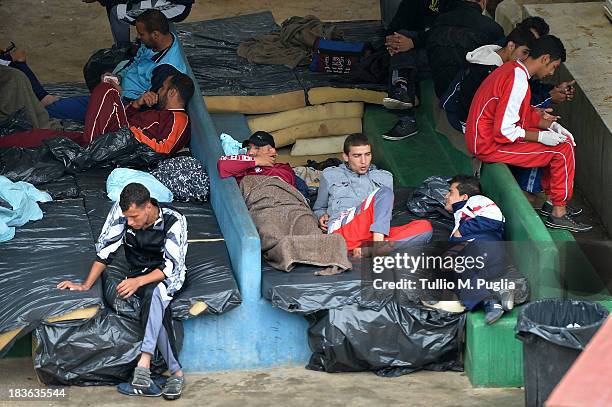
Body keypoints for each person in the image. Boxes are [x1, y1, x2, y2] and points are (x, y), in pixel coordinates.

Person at [57, 183, 187, 399]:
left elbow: (171, 266)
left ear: (148, 207)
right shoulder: (122, 211)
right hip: (138, 272)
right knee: (153, 303)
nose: (129, 222)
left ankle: (146, 364)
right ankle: (174, 374)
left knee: (156, 294)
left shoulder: (174, 220)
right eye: (127, 217)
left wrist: (138, 282)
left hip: (167, 276)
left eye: (134, 217)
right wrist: (85, 285)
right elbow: (106, 250)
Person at [464, 35, 591, 232]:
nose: (551, 72)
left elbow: (520, 114)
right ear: (545, 59)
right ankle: (558, 212)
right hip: (487, 144)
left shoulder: (514, 70)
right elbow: (504, 132)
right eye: (554, 67)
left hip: (482, 137)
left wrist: (550, 127)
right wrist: (541, 136)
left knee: (560, 141)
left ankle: (552, 202)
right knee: (561, 150)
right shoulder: (517, 79)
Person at [0, 72, 194, 154]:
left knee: (106, 89)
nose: (158, 90)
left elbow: (164, 148)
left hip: (120, 144)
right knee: (44, 137)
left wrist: (131, 134)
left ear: (173, 93)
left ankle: (91, 143)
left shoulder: (179, 119)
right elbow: (125, 118)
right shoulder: (156, 111)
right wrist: (136, 103)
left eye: (163, 88)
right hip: (114, 136)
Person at [47, 9, 188, 122]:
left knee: (53, 111)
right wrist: (118, 77)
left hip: (123, 105)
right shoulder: (153, 44)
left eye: (141, 34)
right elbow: (134, 62)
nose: (138, 37)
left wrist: (121, 96)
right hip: (118, 92)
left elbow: (151, 106)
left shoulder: (166, 69)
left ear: (155, 35)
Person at [313, 133, 433, 257]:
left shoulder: (384, 177)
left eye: (367, 154)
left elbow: (385, 213)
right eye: (357, 156)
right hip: (343, 231)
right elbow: (318, 207)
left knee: (425, 228)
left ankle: (369, 250)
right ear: (345, 156)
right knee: (384, 192)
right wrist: (321, 215)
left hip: (372, 233)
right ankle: (379, 247)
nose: (363, 161)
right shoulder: (330, 175)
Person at [442, 175, 512, 324]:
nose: (446, 196)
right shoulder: (460, 215)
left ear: (464, 196)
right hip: (489, 266)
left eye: (451, 192)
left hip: (485, 247)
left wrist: (462, 231)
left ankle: (490, 303)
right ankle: (499, 296)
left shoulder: (476, 200)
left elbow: (495, 219)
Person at [380, 0, 449, 140]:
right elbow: (396, 25)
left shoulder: (456, 4)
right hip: (417, 53)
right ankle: (401, 90)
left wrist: (413, 42)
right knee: (401, 39)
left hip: (445, 54)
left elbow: (446, 32)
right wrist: (392, 41)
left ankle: (405, 112)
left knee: (405, 55)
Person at [426, 0, 504, 98]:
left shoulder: (439, 21)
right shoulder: (492, 28)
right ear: (483, 2)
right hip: (472, 95)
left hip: (441, 90)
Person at [83, 0, 194, 47]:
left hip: (177, 5)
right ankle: (122, 48)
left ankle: (123, 51)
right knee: (114, 5)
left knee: (117, 12)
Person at [217, 131, 297, 187]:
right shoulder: (244, 167)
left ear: (272, 151)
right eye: (248, 148)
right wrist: (257, 161)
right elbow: (222, 165)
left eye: (257, 148)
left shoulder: (282, 168)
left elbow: (283, 183)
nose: (250, 152)